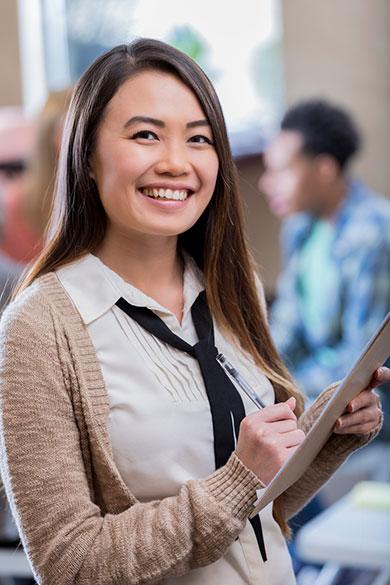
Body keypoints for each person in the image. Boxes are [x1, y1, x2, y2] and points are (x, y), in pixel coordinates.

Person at [0, 40, 384, 585]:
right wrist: (238, 477)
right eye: (145, 135)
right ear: (85, 155)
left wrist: (324, 437)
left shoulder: (234, 287)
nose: (177, 162)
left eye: (199, 138)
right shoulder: (40, 327)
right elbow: (68, 564)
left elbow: (258, 515)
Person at [259, 99, 390, 401]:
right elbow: (288, 321)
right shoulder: (300, 228)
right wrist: (262, 373)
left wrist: (286, 392)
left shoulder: (376, 234)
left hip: (367, 410)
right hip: (313, 389)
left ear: (325, 169)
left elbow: (361, 362)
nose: (267, 184)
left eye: (282, 172)